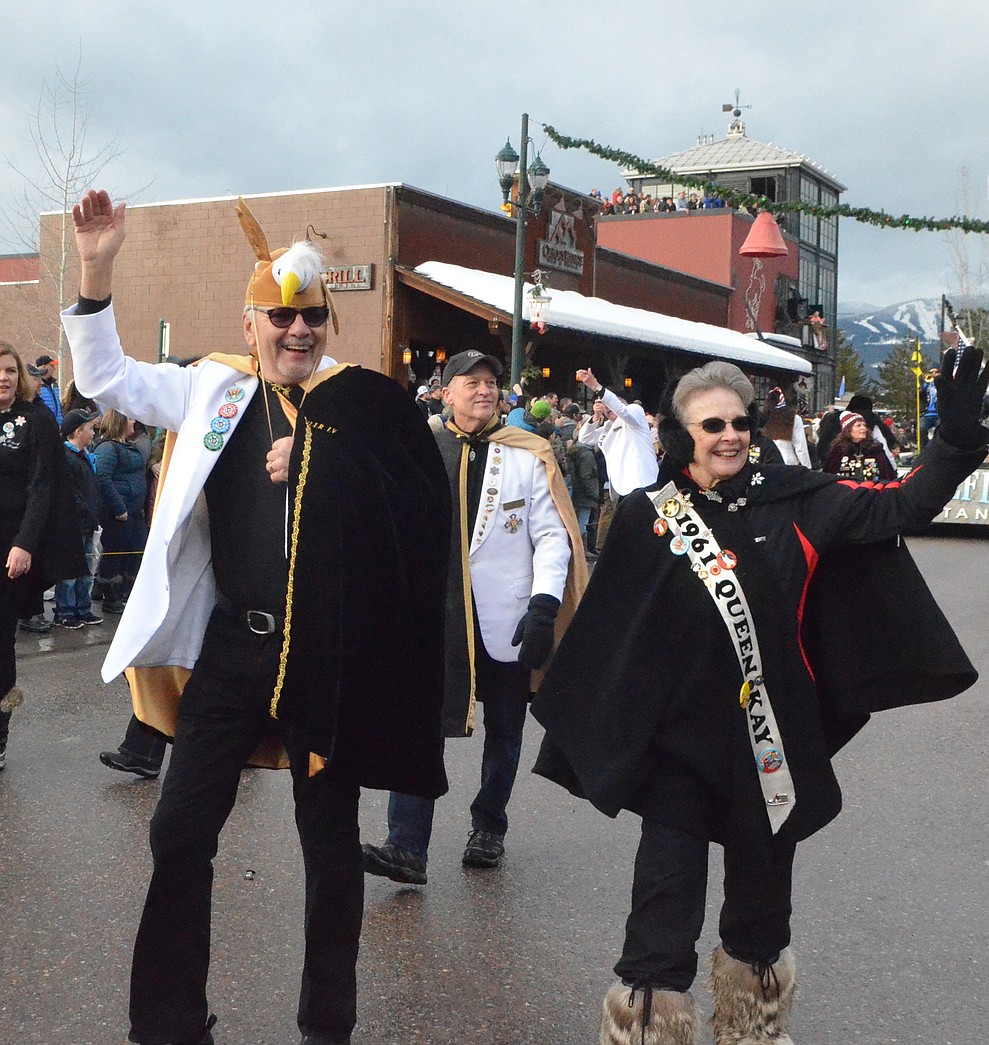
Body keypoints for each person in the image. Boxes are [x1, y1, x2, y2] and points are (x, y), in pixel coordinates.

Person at [64, 188, 450, 1045]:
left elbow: (414, 506)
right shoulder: (214, 392)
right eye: (278, 318)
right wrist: (96, 268)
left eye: (310, 316)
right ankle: (169, 1021)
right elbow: (107, 378)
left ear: (328, 324)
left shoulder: (362, 407)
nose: (296, 331)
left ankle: (326, 1026)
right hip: (233, 651)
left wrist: (323, 458)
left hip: (326, 657)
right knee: (177, 829)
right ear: (249, 326)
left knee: (330, 848)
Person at [530, 351, 989, 1044]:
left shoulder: (800, 500)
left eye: (741, 421)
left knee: (759, 921)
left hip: (769, 750)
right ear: (678, 433)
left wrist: (955, 441)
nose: (730, 435)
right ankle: (649, 1031)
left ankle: (752, 1029)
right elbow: (615, 634)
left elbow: (907, 504)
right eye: (711, 423)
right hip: (676, 756)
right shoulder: (644, 516)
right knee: (660, 918)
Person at [362, 350, 586, 884]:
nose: (483, 390)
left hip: (503, 619)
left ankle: (489, 826)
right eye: (471, 382)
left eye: (491, 382)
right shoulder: (417, 445)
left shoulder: (527, 454)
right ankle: (406, 846)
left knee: (505, 730)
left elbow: (551, 534)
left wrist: (544, 604)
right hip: (433, 617)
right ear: (446, 391)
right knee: (419, 727)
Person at [0, 341, 85, 770]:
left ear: (21, 377)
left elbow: (43, 486)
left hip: (11, 547)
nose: (3, 378)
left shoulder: (36, 420)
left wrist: (25, 543)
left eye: (10, 370)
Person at [93, 408, 149, 614]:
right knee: (115, 554)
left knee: (136, 550)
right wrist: (119, 508)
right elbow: (102, 478)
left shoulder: (128, 446)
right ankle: (111, 595)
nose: (134, 422)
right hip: (119, 512)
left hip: (134, 511)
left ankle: (126, 592)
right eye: (130, 418)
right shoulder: (108, 448)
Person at [54, 408, 105, 627]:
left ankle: (82, 608)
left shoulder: (83, 456)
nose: (94, 433)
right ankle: (65, 610)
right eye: (90, 428)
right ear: (77, 431)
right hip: (72, 523)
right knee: (69, 570)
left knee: (86, 569)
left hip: (87, 521)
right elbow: (70, 493)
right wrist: (85, 510)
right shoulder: (65, 457)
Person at [574, 367, 659, 498]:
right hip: (620, 488)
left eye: (614, 402)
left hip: (642, 483)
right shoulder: (607, 426)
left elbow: (622, 411)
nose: (609, 407)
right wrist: (596, 416)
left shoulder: (635, 412)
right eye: (605, 405)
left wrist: (596, 386)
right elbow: (584, 438)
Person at [821, 409, 898, 482]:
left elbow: (887, 474)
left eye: (864, 425)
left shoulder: (875, 449)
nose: (863, 428)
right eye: (858, 425)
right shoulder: (838, 450)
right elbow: (829, 475)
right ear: (848, 429)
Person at [35, 353, 65, 426]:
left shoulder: (54, 385)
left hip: (56, 426)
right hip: (42, 425)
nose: (54, 368)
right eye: (51, 365)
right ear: (44, 366)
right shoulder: (35, 384)